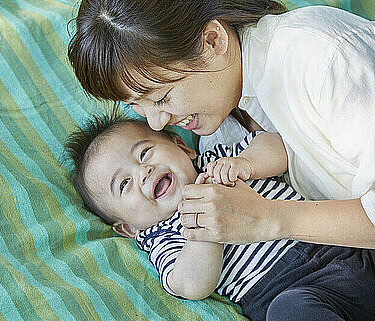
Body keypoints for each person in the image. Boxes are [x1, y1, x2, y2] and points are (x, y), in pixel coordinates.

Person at [64, 114, 375, 321]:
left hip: (340, 242)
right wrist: (203, 229)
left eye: (145, 154)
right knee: (286, 320)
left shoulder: (217, 163)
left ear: (182, 147)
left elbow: (278, 144)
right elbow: (190, 283)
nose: (143, 172)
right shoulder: (162, 235)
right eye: (124, 184)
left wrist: (247, 164)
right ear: (128, 228)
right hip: (300, 294)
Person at [67, 0, 375, 248]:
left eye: (161, 99)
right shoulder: (222, 129)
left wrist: (270, 219)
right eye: (134, 105)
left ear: (212, 41)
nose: (157, 124)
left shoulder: (321, 59)